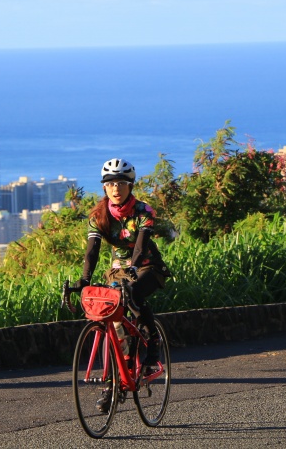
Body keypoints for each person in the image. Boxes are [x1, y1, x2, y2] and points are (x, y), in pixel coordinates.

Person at [75, 158, 171, 412]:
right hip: (118, 270)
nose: (116, 188)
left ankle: (153, 346)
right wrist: (84, 280)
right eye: (110, 184)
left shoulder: (143, 211)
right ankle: (114, 381)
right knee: (114, 320)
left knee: (135, 294)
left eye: (121, 183)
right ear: (104, 188)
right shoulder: (99, 216)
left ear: (130, 185)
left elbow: (140, 246)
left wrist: (133, 267)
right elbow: (92, 252)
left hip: (147, 267)